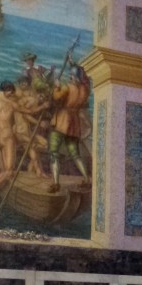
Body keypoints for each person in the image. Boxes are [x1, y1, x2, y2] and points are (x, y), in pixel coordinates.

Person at [47, 65, 91, 193]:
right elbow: (86, 80)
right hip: (74, 123)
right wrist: (73, 63)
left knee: (53, 152)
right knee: (75, 154)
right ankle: (87, 180)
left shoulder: (67, 87)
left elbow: (56, 97)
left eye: (70, 75)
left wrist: (56, 85)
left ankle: (56, 183)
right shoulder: (86, 89)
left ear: (72, 76)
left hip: (61, 121)